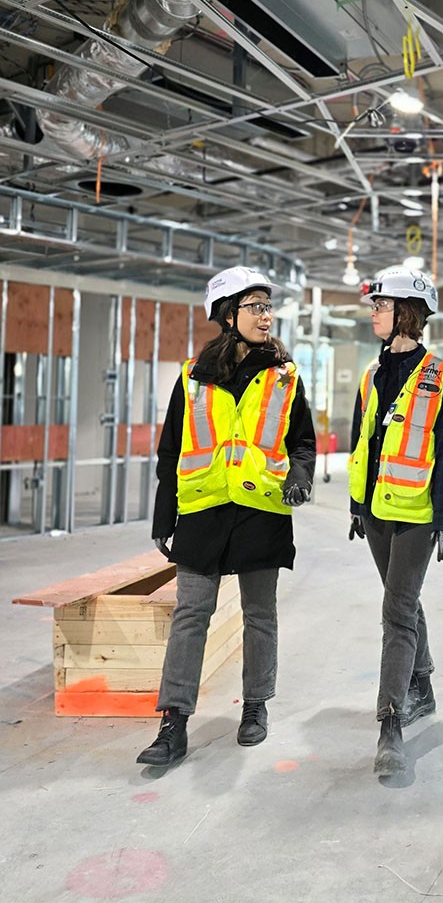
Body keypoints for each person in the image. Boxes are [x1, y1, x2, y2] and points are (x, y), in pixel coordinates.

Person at [137, 266, 316, 766]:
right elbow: (170, 450)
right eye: (255, 306)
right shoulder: (191, 376)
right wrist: (162, 517)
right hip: (203, 513)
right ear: (227, 314)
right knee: (190, 616)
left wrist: (300, 476)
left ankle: (255, 707)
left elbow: (302, 441)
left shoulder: (284, 374)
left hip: (261, 510)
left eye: (267, 306)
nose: (266, 315)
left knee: (260, 616)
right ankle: (173, 724)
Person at [348, 265, 443, 778]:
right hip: (374, 512)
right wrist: (354, 504)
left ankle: (390, 722)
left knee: (395, 612)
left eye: (380, 305)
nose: (373, 313)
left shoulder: (440, 376)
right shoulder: (372, 375)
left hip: (416, 513)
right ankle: (424, 685)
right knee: (405, 601)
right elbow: (362, 440)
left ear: (405, 313)